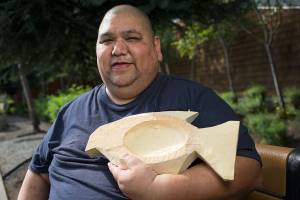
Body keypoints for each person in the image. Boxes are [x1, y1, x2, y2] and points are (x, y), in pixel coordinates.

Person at [18, 4, 262, 200]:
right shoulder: (70, 111)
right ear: (96, 51)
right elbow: (39, 174)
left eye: (132, 38)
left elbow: (249, 171)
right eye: (106, 41)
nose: (118, 49)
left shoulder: (193, 99)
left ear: (156, 48)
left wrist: (162, 190)